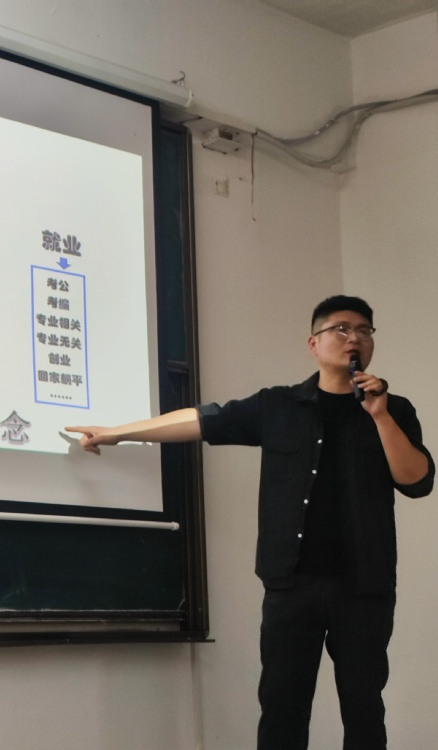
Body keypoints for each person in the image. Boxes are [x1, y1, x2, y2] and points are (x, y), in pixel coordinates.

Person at [66, 295, 434, 750]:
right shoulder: (278, 406)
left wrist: (379, 415)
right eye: (341, 328)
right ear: (313, 343)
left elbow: (417, 481)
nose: (353, 338)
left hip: (364, 587)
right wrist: (118, 432)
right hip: (291, 585)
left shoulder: (395, 410)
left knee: (364, 710)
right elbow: (202, 420)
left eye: (363, 330)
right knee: (282, 709)